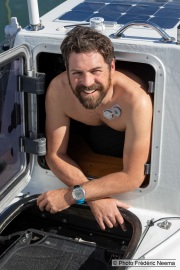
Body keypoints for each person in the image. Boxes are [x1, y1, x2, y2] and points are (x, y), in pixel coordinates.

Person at [37, 26, 152, 231]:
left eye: (96, 71)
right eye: (77, 73)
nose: (87, 82)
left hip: (122, 143)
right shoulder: (58, 90)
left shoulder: (136, 101)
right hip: (91, 140)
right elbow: (55, 155)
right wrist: (92, 198)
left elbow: (133, 176)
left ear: (112, 67)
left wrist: (70, 196)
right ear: (66, 69)